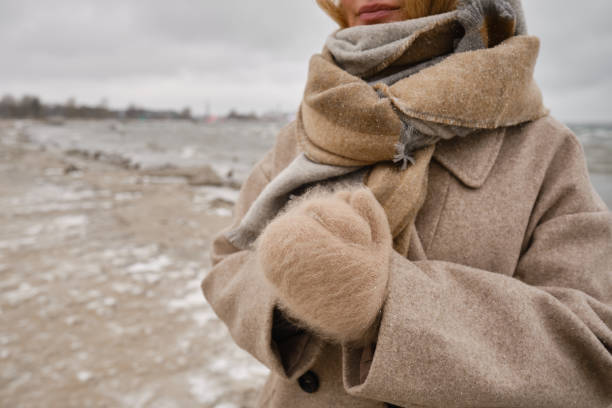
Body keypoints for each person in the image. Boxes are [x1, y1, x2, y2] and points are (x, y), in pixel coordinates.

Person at [202, 0, 612, 406]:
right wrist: (290, 282)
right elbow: (227, 265)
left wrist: (385, 300)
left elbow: (594, 354)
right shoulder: (307, 130)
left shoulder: (543, 149)